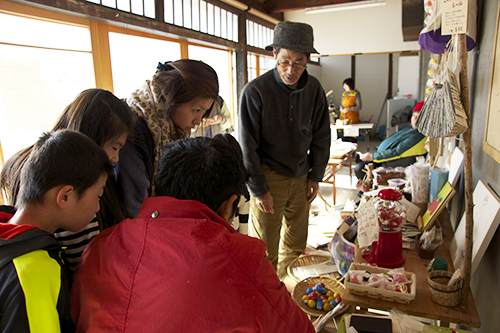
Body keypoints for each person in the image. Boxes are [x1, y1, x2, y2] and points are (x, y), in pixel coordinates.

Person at [70, 137, 314, 332]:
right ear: (229, 206)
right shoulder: (242, 258)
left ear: (155, 189)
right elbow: (297, 327)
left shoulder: (100, 247)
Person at [0, 89, 133, 270]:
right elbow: (83, 266)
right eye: (114, 147)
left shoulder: (33, 160)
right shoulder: (77, 194)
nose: (115, 158)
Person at [238, 21, 331, 279]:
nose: (291, 70)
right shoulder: (255, 91)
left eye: (299, 63)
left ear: (308, 60)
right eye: (285, 61)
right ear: (274, 54)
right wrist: (258, 189)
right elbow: (247, 146)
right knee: (265, 247)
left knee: (295, 243)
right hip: (269, 177)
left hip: (301, 175)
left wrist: (316, 175)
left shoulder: (314, 90)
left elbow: (322, 136)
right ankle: (267, 298)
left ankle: (287, 294)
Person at [0, 130, 112, 332]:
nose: (97, 208)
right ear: (65, 197)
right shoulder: (34, 270)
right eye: (98, 195)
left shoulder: (8, 237)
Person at [116, 59, 219, 218]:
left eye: (203, 113)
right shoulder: (135, 130)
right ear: (173, 99)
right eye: (196, 110)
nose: (198, 121)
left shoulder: (168, 126)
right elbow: (135, 210)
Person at [355, 101, 427, 180]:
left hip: (389, 161)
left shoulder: (418, 136)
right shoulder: (411, 129)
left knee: (359, 168)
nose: (414, 118)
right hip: (382, 154)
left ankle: (365, 187)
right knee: (358, 157)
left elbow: (396, 152)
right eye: (413, 115)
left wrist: (373, 156)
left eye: (418, 116)